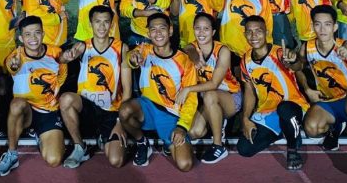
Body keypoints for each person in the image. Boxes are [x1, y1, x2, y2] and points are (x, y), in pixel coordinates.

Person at [0, 16, 79, 176]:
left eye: (37, 33)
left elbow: (60, 79)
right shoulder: (16, 56)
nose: (33, 38)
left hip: (48, 112)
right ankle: (12, 154)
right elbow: (12, 67)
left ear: (43, 34)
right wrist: (14, 66)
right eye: (27, 34)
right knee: (16, 104)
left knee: (54, 160)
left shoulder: (56, 52)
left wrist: (65, 61)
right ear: (21, 38)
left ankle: (40, 135)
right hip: (25, 111)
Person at [297, 5, 347, 179]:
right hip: (329, 102)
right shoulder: (307, 48)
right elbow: (298, 68)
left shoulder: (346, 46)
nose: (322, 29)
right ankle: (337, 127)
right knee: (311, 129)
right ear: (313, 25)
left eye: (327, 24)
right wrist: (308, 89)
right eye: (318, 24)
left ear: (335, 27)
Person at [119, 13, 197, 172]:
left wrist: (182, 126)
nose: (158, 33)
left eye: (162, 28)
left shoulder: (184, 61)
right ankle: (142, 142)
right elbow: (131, 58)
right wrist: (132, 58)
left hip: (170, 114)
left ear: (170, 31)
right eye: (153, 29)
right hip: (147, 107)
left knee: (185, 164)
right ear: (148, 33)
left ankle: (169, 143)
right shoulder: (144, 50)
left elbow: (191, 98)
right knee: (125, 110)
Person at [59, 6, 132, 168]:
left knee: (116, 161)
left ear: (112, 25)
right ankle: (80, 147)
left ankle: (103, 136)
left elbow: (127, 91)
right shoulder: (82, 46)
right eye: (97, 22)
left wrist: (121, 121)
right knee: (66, 99)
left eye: (106, 22)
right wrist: (68, 56)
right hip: (86, 108)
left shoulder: (122, 48)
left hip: (111, 112)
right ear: (90, 24)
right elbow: (65, 58)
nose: (102, 26)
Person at [236, 16, 308, 171]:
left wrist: (294, 60)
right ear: (244, 35)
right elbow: (249, 91)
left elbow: (296, 66)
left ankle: (293, 148)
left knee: (285, 109)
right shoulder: (245, 60)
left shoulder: (280, 52)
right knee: (244, 149)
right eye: (249, 32)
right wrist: (246, 118)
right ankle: (286, 130)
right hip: (268, 111)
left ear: (266, 32)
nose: (253, 36)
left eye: (258, 31)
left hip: (293, 106)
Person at [181, 12, 241, 164]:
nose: (201, 33)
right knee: (195, 132)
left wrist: (188, 89)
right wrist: (193, 54)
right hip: (206, 99)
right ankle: (218, 120)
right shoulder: (192, 48)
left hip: (230, 96)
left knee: (210, 94)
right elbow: (187, 47)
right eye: (197, 28)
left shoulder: (223, 51)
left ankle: (218, 146)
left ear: (213, 32)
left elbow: (214, 84)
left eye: (206, 29)